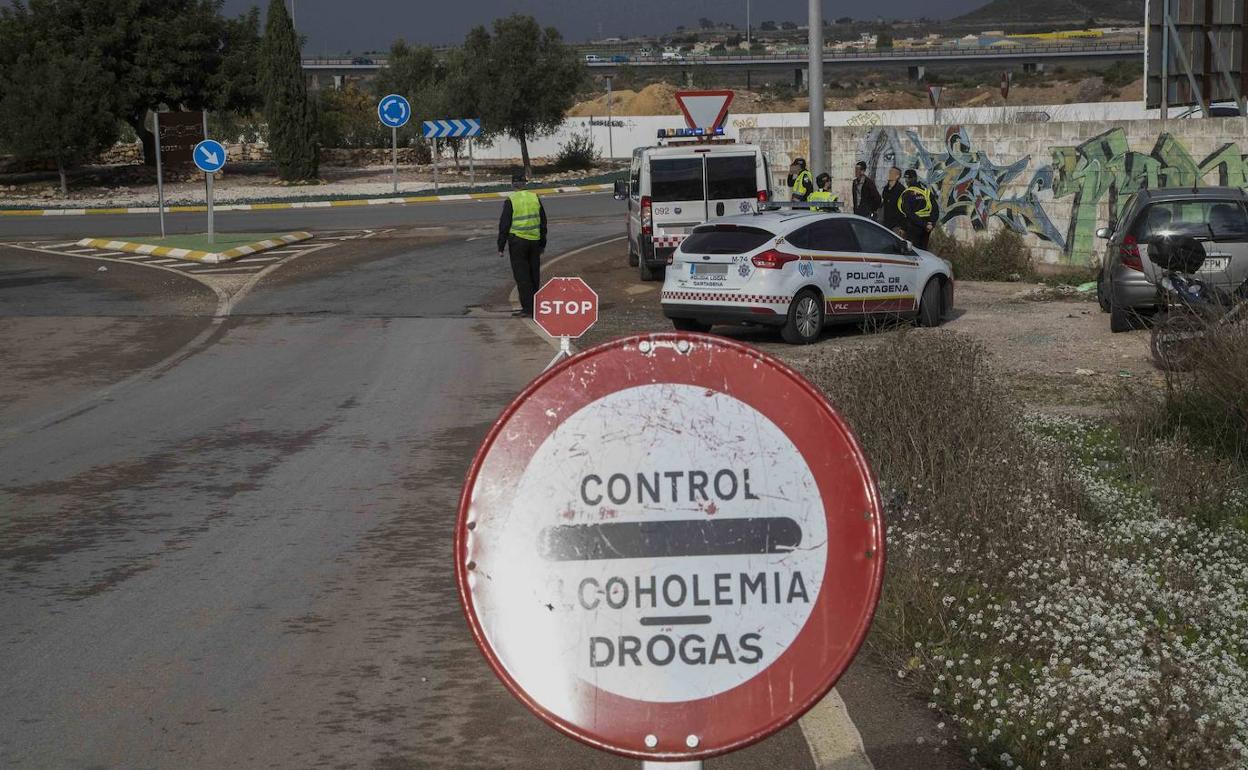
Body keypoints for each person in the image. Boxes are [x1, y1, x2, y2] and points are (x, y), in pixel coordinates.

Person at [497, 172, 548, 317]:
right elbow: (543, 222)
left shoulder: (511, 200)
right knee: (534, 275)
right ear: (525, 184)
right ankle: (535, 306)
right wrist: (542, 243)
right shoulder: (534, 198)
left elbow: (504, 224)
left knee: (522, 276)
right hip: (535, 242)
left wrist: (501, 246)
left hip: (518, 242)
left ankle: (528, 309)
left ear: (513, 185)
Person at [899, 169, 939, 249]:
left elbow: (908, 213)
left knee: (913, 251)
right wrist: (930, 224)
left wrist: (903, 228)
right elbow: (935, 210)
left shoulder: (907, 194)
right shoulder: (927, 192)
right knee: (923, 251)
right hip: (926, 229)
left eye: (907, 179)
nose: (906, 181)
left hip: (913, 227)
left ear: (908, 180)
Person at [879, 166, 906, 233]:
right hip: (885, 224)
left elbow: (904, 209)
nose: (889, 174)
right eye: (889, 172)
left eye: (891, 172)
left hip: (896, 225)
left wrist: (903, 227)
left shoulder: (901, 190)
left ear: (897, 176)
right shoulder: (886, 188)